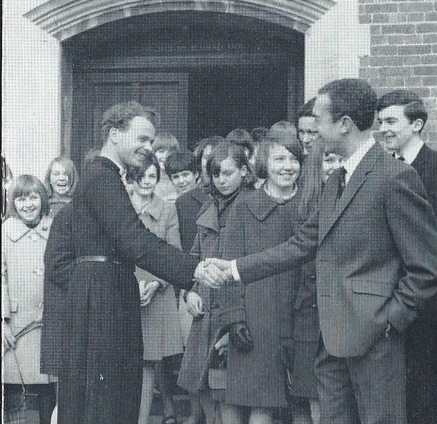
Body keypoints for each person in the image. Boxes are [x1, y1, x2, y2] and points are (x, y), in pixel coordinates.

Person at [202, 79, 437, 424]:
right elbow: (301, 245)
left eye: (319, 121)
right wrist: (234, 268)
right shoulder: (335, 181)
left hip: (376, 340)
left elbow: (426, 267)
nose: (311, 133)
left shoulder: (394, 177)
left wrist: (390, 320)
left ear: (344, 124)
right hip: (330, 340)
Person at [56, 101, 222, 424]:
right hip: (103, 297)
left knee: (108, 398)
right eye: (142, 139)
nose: (148, 148)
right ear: (115, 135)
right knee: (107, 402)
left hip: (104, 292)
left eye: (151, 140)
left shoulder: (105, 176)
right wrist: (193, 269)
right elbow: (135, 239)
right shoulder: (103, 178)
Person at [219, 136, 304, 424]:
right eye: (280, 159)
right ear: (264, 164)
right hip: (256, 318)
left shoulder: (311, 206)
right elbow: (228, 266)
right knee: (259, 403)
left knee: (305, 402)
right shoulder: (244, 208)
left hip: (301, 315)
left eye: (294, 159)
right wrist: (233, 317)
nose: (288, 166)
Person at [178, 142, 256, 424]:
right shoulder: (211, 208)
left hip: (237, 313)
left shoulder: (251, 206)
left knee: (232, 395)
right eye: (216, 174)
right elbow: (195, 257)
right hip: (206, 311)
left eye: (228, 173)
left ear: (244, 172)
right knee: (201, 387)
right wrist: (190, 291)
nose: (222, 180)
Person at [377, 89, 437, 424]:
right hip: (388, 301)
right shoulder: (381, 171)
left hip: (427, 303)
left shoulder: (434, 169)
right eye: (380, 122)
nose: (383, 129)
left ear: (416, 124)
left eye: (390, 121)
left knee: (424, 394)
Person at [126, 152, 184, 424]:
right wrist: (130, 286)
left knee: (148, 362)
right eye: (141, 176)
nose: (147, 182)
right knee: (124, 360)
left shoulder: (167, 209)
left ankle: (141, 420)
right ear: (130, 177)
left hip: (156, 294)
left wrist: (156, 283)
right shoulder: (121, 206)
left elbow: (174, 254)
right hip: (123, 290)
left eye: (152, 176)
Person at [289, 141, 343, 424]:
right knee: (311, 395)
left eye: (337, 159)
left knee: (338, 396)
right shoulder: (306, 206)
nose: (332, 166)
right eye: (327, 160)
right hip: (309, 311)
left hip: (343, 312)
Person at [2, 175, 56, 424]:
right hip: (16, 324)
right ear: (13, 202)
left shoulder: (56, 227)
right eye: (21, 198)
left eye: (33, 197)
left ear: (43, 199)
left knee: (49, 389)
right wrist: (2, 320)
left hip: (50, 324)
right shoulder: (5, 232)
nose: (28, 204)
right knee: (15, 389)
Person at [174, 138, 221, 424]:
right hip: (199, 289)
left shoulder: (246, 201)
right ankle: (198, 415)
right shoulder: (190, 203)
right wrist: (188, 290)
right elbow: (191, 252)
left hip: (230, 288)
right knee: (196, 364)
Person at [153, 132, 180, 203]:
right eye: (161, 151)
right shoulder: (148, 178)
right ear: (153, 154)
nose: (165, 156)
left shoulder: (181, 178)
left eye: (170, 152)